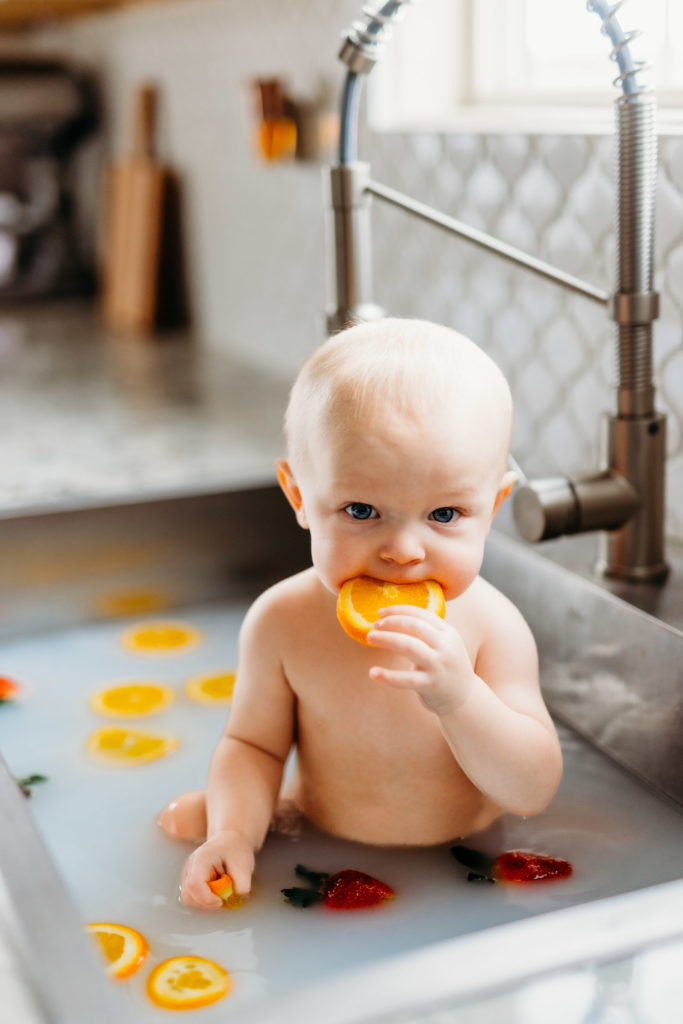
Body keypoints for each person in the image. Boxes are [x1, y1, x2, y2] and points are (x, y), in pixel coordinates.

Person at [159, 317, 563, 909]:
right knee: (181, 821)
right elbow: (254, 746)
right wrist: (234, 833)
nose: (403, 551)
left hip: (463, 864)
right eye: (361, 509)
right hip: (323, 844)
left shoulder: (491, 627)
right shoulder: (282, 622)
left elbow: (531, 790)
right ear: (299, 496)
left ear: (494, 506)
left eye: (446, 515)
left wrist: (460, 697)